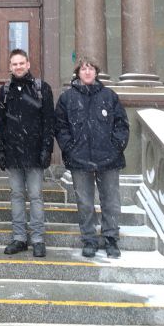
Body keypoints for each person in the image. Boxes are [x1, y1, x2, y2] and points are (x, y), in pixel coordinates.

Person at [55, 57, 130, 259]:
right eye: (83, 69)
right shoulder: (67, 98)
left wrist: (116, 147)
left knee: (111, 201)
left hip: (109, 159)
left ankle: (111, 238)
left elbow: (121, 125)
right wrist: (70, 149)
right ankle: (89, 239)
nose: (87, 72)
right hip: (80, 159)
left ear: (96, 72)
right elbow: (61, 127)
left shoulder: (109, 96)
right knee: (85, 202)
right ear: (78, 73)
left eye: (91, 69)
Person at [0, 49, 55, 258]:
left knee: (36, 197)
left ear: (28, 64)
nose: (19, 67)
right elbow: (1, 123)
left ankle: (38, 239)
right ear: (10, 67)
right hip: (13, 154)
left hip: (34, 153)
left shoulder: (41, 89)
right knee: (16, 196)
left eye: (22, 63)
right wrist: (0, 150)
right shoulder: (5, 91)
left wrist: (47, 149)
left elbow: (49, 122)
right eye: (15, 64)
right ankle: (19, 238)